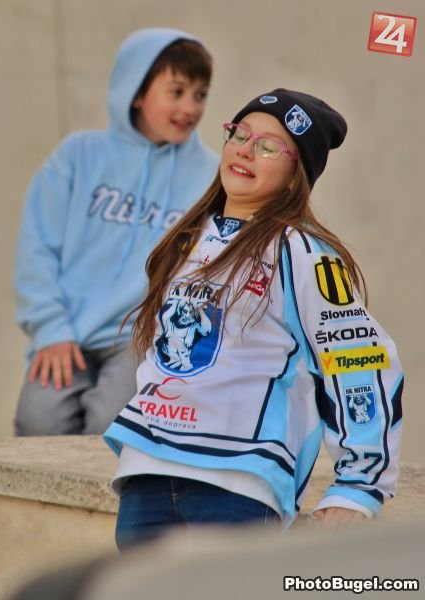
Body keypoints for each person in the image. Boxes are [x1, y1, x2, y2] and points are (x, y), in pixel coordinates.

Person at [103, 88, 403, 550]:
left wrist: (360, 484)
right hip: (147, 469)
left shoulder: (304, 252)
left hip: (237, 481)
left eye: (268, 146)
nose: (245, 150)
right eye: (239, 135)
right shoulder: (183, 240)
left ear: (295, 176)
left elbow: (357, 356)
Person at [14, 28, 218, 436]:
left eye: (200, 95)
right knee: (38, 422)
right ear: (136, 92)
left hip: (143, 335)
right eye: (176, 92)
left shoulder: (210, 174)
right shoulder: (78, 155)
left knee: (114, 426)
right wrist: (50, 329)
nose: (190, 108)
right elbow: (37, 247)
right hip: (66, 328)